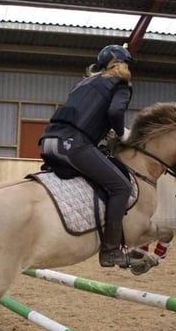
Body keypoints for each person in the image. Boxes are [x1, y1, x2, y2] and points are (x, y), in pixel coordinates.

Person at [39, 44, 135, 268]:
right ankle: (110, 250)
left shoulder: (83, 83)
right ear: (123, 65)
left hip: (48, 142)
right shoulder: (120, 84)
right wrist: (121, 133)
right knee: (121, 187)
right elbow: (115, 112)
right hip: (73, 145)